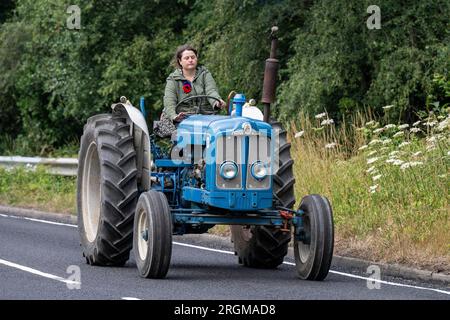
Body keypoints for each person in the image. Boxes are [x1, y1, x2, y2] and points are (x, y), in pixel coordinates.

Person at [162, 44, 226, 123]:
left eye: (193, 57)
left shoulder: (205, 74)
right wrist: (174, 116)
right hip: (184, 119)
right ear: (180, 61)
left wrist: (217, 102)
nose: (190, 60)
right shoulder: (173, 79)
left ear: (196, 59)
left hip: (207, 118)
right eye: (186, 58)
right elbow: (169, 101)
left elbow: (211, 90)